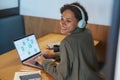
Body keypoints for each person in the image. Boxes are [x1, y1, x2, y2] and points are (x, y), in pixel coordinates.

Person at [35, 2, 104, 80]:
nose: (62, 23)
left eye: (68, 21)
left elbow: (61, 76)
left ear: (80, 23)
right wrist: (57, 54)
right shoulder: (87, 32)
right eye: (62, 18)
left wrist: (44, 62)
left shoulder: (66, 42)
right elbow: (77, 54)